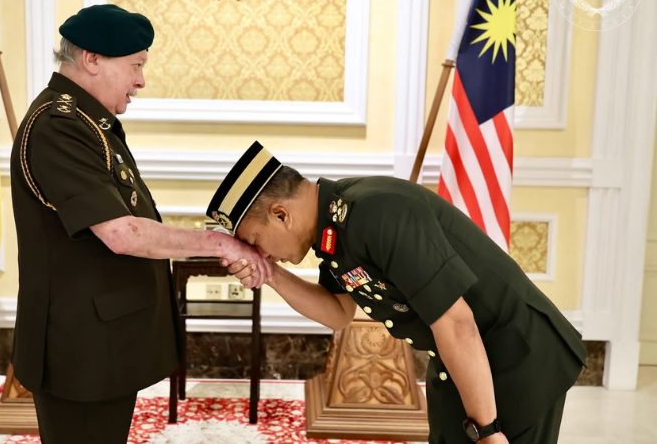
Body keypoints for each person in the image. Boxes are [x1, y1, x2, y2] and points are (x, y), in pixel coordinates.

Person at [9, 5, 271, 444]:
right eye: (136, 65)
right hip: (79, 350)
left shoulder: (87, 121)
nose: (141, 81)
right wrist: (220, 244)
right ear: (92, 59)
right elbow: (121, 232)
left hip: (100, 342)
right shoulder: (58, 126)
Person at [207, 141, 587, 444]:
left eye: (255, 241)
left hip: (518, 356)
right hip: (465, 362)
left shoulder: (376, 212)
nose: (260, 253)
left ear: (280, 214)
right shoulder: (334, 228)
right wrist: (271, 274)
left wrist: (486, 431)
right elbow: (338, 313)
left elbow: (457, 323)